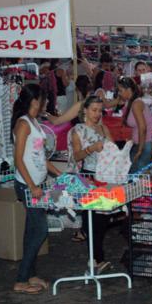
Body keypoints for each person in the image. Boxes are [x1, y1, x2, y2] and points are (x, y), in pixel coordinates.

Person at [12, 84, 62, 295]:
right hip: (27, 185)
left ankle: (30, 274)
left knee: (31, 230)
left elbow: (40, 156)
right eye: (43, 99)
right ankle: (21, 280)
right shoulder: (23, 124)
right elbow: (18, 159)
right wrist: (32, 186)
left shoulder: (35, 122)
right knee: (40, 229)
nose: (45, 103)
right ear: (34, 101)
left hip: (36, 184)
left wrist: (60, 174)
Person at [67, 95, 115, 273]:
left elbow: (112, 150)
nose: (97, 114)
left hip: (105, 176)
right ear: (85, 110)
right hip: (89, 176)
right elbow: (76, 156)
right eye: (94, 110)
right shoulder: (78, 130)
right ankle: (96, 258)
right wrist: (92, 148)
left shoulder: (103, 128)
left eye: (99, 110)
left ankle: (96, 258)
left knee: (102, 218)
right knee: (92, 219)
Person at [117, 77, 152, 172]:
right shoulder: (133, 102)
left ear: (128, 90)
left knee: (136, 178)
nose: (119, 93)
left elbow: (143, 128)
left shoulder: (136, 104)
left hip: (143, 145)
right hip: (139, 144)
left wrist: (140, 149)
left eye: (120, 91)